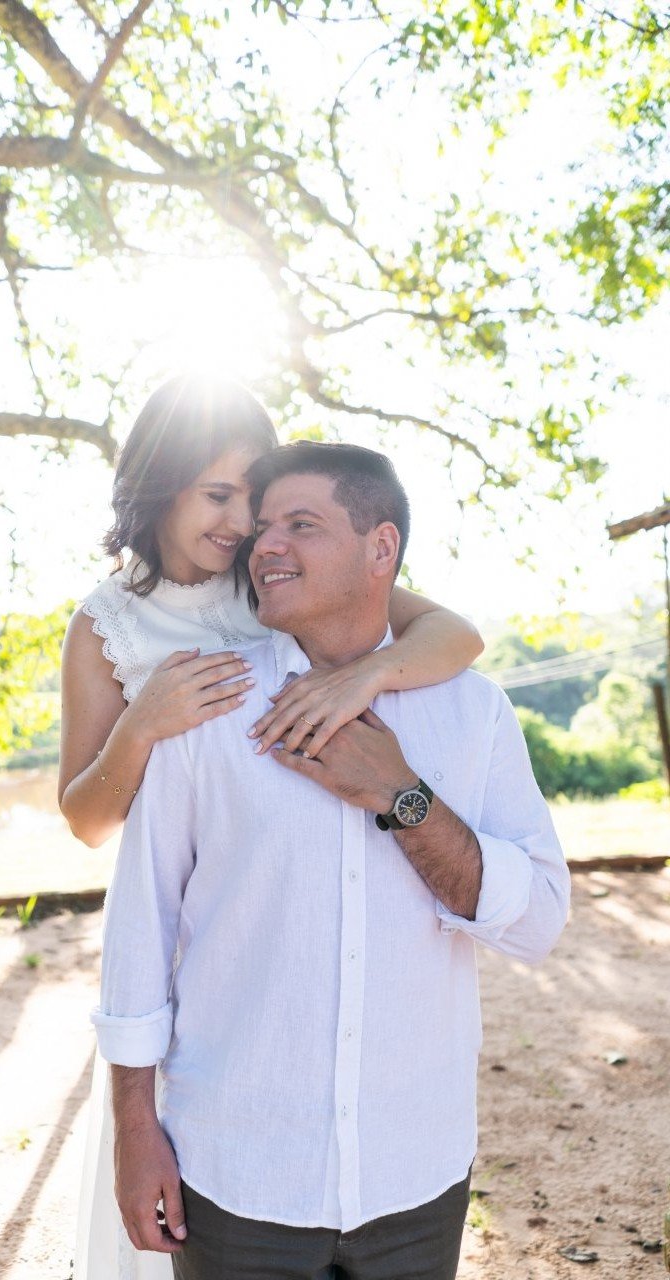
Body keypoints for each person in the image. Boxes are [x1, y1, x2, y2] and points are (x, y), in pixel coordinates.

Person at [92, 441, 570, 1280]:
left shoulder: (474, 712)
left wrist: (402, 795)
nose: (264, 545)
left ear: (380, 548)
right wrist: (134, 1130)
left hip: (415, 1171)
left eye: (301, 525)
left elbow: (536, 924)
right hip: (234, 1173)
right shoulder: (204, 706)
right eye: (262, 527)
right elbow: (140, 930)